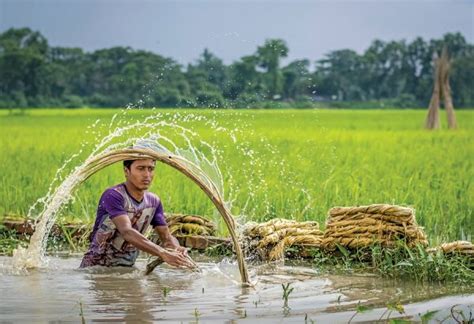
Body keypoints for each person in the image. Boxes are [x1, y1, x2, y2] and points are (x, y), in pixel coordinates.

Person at [80, 158, 194, 269]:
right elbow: (127, 232)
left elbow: (167, 238)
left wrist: (177, 249)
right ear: (126, 171)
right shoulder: (114, 195)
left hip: (128, 269)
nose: (147, 175)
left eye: (150, 169)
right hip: (96, 270)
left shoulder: (154, 202)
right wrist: (162, 253)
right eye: (140, 168)